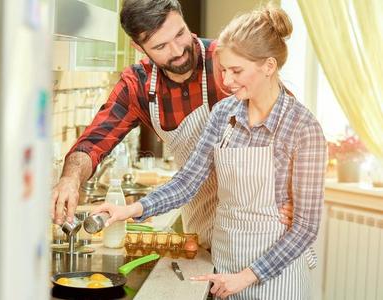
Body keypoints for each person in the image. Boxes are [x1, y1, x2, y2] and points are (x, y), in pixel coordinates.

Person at [92, 5, 327, 299]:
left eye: (236, 71)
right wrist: (129, 210)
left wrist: (245, 278)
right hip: (222, 265)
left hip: (275, 277)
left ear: (268, 66)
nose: (226, 82)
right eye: (224, 70)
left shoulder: (303, 129)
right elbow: (188, 181)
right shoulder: (224, 113)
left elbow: (304, 229)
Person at [50, 0, 294, 250]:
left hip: (264, 221)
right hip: (201, 218)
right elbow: (95, 142)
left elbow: (288, 124)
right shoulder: (139, 85)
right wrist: (70, 178)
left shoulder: (227, 60)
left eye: (180, 33)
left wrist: (293, 195)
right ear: (139, 47)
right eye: (161, 46)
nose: (177, 50)